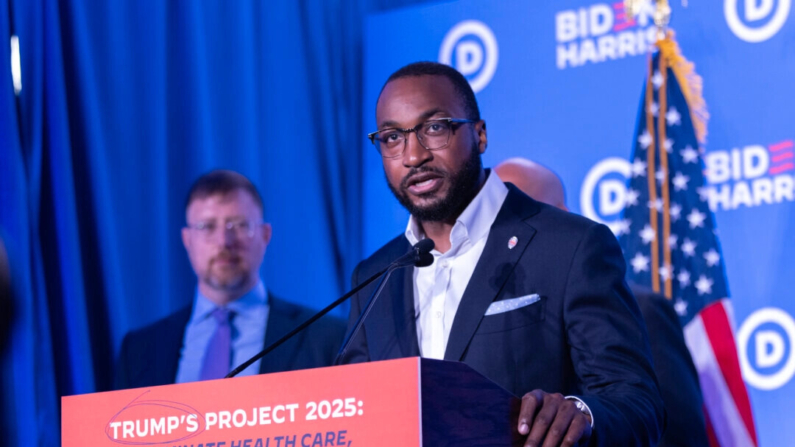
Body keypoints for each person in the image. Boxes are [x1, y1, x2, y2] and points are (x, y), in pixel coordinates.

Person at [338, 62, 664, 446]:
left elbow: (637, 405)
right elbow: (354, 413)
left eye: (434, 128)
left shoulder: (571, 246)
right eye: (392, 137)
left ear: (479, 134)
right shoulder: (375, 275)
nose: (413, 156)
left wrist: (580, 414)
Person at [495, 157, 709, 447]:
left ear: (562, 217)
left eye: (522, 215)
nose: (509, 234)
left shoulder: (641, 309)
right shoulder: (484, 321)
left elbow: (678, 434)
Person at [115, 170, 346, 389]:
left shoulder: (326, 338)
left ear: (265, 235)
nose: (224, 241)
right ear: (187, 240)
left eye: (239, 225)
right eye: (207, 226)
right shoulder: (138, 351)